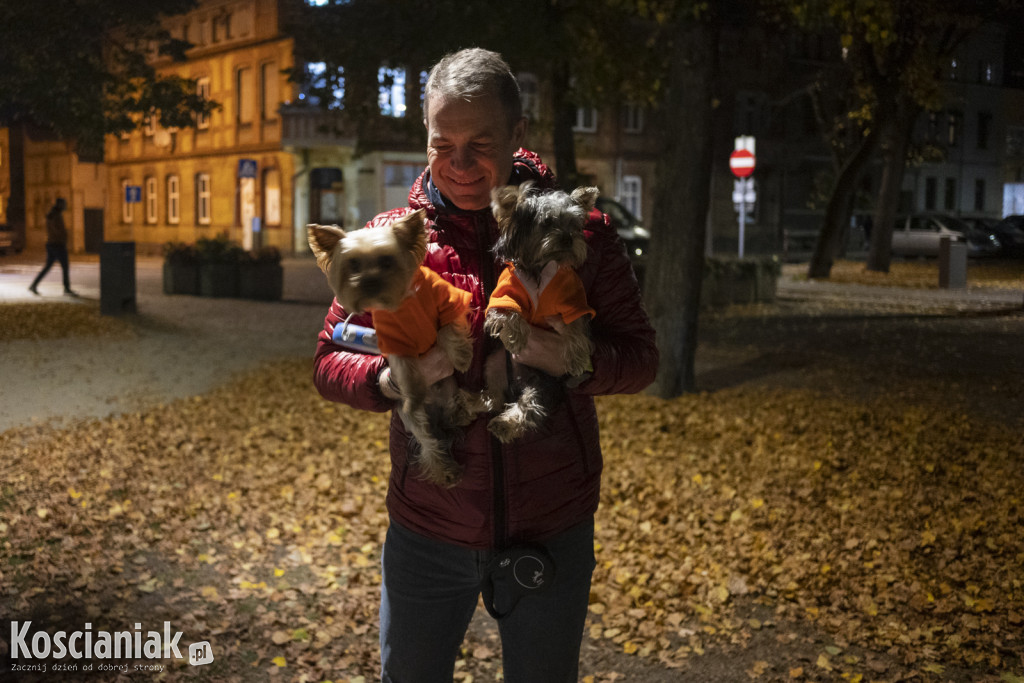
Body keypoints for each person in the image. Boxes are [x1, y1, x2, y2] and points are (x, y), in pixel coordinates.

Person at [313, 48, 658, 683]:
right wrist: (389, 380)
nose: (460, 165)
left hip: (551, 523)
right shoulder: (389, 242)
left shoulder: (578, 233)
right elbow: (329, 359)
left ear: (519, 135)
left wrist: (569, 359)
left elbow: (639, 360)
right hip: (427, 526)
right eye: (442, 144)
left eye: (481, 143)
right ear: (424, 138)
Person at [29, 197, 76, 296]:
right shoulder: (56, 215)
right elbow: (56, 229)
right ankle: (66, 288)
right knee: (65, 266)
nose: (65, 206)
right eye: (64, 204)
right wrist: (63, 235)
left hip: (52, 244)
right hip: (58, 244)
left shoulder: (53, 214)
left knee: (48, 267)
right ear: (59, 205)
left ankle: (34, 285)